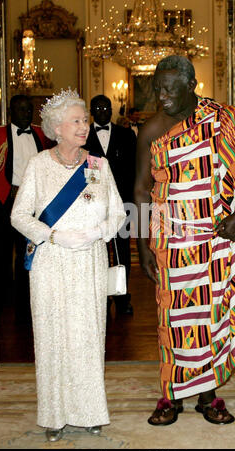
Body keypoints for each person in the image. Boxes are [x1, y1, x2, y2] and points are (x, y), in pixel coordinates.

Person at [134, 55, 235, 426]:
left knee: (213, 317)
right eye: (158, 88)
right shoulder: (151, 129)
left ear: (192, 86)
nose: (163, 95)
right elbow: (140, 190)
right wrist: (141, 245)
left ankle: (208, 395)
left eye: (171, 88)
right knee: (174, 319)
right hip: (172, 241)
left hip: (218, 241)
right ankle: (170, 395)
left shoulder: (225, 119)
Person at [11, 89, 126, 442]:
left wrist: (97, 232)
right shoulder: (38, 166)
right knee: (53, 339)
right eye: (76, 121)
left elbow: (119, 213)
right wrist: (53, 236)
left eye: (85, 121)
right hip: (50, 263)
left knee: (88, 337)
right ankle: (55, 416)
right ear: (56, 128)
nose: (83, 126)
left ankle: (89, 410)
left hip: (89, 261)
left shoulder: (98, 166)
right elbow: (18, 215)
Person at [0, 94, 52, 327]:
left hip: (33, 206)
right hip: (5, 202)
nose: (26, 114)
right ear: (11, 112)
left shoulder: (41, 135)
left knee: (28, 259)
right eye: (21, 110)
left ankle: (25, 313)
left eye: (29, 110)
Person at [84, 95, 137, 315]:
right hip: (92, 205)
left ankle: (123, 298)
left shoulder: (126, 134)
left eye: (106, 106)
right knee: (98, 251)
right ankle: (100, 298)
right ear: (91, 111)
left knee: (123, 251)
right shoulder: (83, 135)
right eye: (98, 107)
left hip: (123, 202)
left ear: (112, 110)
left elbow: (135, 168)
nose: (103, 110)